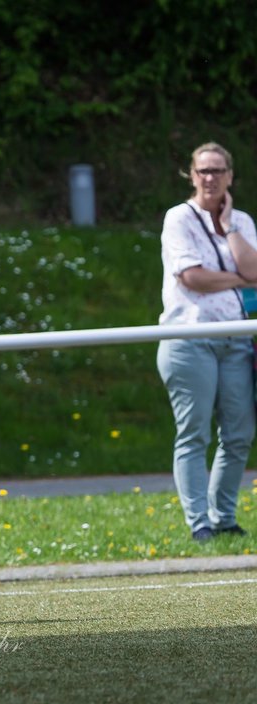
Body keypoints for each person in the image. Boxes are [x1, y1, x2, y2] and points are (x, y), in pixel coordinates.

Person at [158, 141, 257, 541]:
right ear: (191, 175)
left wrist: (230, 225)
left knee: (238, 434)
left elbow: (255, 268)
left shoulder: (243, 222)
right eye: (203, 171)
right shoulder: (178, 218)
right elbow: (193, 279)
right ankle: (199, 523)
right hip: (189, 338)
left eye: (218, 170)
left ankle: (224, 518)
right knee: (193, 432)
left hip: (236, 338)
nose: (210, 178)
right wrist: (240, 279)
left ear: (230, 176)